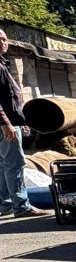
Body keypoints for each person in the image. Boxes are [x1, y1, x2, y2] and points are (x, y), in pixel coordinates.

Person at [0, 28, 48, 219]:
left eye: (4, 39)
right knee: (15, 164)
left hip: (11, 123)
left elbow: (10, 98)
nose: (3, 43)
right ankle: (21, 206)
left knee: (3, 164)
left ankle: (5, 204)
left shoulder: (3, 65)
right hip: (5, 126)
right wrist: (6, 123)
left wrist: (21, 121)